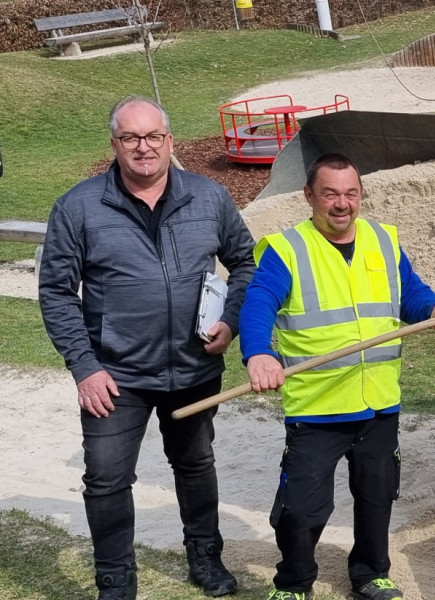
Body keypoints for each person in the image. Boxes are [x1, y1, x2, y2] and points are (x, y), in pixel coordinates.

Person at [39, 96, 255, 600]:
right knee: (106, 479)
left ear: (169, 141)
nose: (143, 147)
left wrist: (230, 322)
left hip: (195, 368)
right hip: (115, 377)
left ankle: (206, 558)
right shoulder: (78, 207)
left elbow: (245, 263)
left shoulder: (209, 196)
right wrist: (84, 367)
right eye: (131, 138)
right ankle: (116, 581)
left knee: (195, 464)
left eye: (153, 136)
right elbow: (56, 291)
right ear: (114, 144)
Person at [240, 153, 435, 600]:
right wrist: (259, 353)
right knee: (301, 509)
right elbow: (258, 303)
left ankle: (370, 574)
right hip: (318, 408)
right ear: (309, 196)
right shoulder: (287, 250)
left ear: (360, 195)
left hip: (378, 403)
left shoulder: (383, 240)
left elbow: (410, 294)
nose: (342, 204)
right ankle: (294, 583)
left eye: (350, 193)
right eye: (330, 194)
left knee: (377, 498)